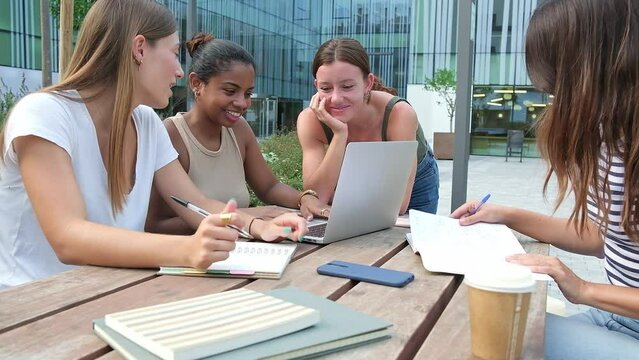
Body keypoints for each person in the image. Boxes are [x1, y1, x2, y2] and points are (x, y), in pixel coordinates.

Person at [0, 0, 306, 289]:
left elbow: (195, 204)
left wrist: (256, 227)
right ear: (140, 49)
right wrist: (187, 250)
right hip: (30, 309)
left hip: (108, 293)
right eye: (174, 53)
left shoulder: (146, 123)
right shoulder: (44, 114)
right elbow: (68, 237)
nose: (180, 71)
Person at [451, 0, 639, 358]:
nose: (553, 99)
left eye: (557, 84)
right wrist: (508, 215)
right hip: (613, 316)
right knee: (477, 322)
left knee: (480, 337)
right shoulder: (612, 134)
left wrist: (582, 288)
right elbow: (605, 237)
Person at [145, 33, 330, 235]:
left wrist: (304, 198)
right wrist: (246, 217)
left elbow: (268, 187)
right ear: (197, 83)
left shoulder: (239, 130)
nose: (242, 103)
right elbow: (156, 225)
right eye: (230, 91)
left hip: (244, 250)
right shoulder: (171, 135)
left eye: (248, 93)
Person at [296, 38, 439, 215]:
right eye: (326, 88)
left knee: (411, 239)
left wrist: (339, 196)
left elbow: (398, 205)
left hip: (416, 180)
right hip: (356, 177)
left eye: (347, 86)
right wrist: (340, 135)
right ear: (316, 86)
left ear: (368, 83)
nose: (336, 98)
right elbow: (317, 198)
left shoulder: (399, 114)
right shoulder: (310, 120)